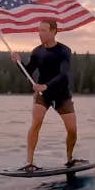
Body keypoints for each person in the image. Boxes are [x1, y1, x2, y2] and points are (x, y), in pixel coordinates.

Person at [11, 19, 87, 172]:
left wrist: (47, 85)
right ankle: (29, 163)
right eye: (39, 30)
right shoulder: (37, 51)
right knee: (36, 122)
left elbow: (63, 73)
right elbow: (28, 73)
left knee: (72, 130)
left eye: (43, 30)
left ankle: (69, 159)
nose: (40, 33)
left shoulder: (64, 51)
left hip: (61, 95)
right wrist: (18, 63)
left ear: (53, 32)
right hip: (42, 95)